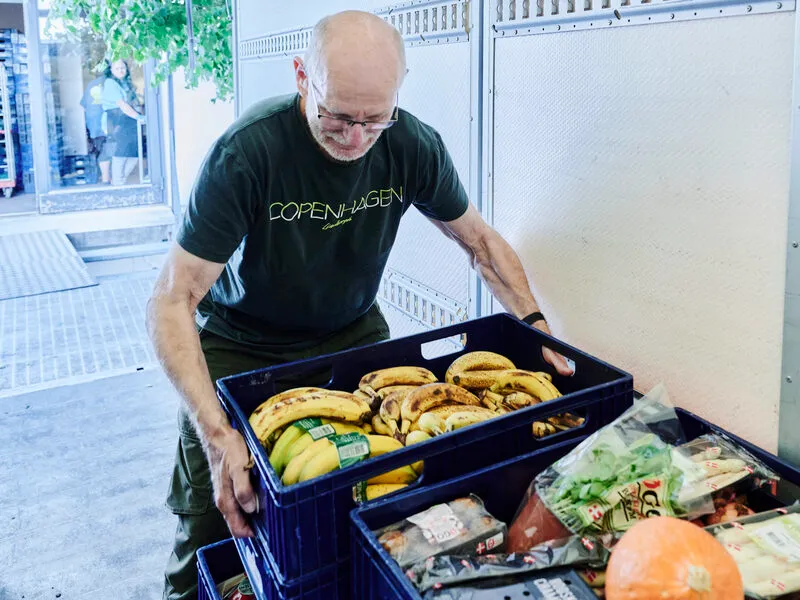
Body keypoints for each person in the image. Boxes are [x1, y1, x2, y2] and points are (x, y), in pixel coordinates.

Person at [146, 10, 573, 600]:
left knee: (389, 495)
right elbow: (172, 298)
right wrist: (215, 433)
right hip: (239, 344)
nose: (354, 137)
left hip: (353, 332)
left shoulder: (411, 144)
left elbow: (479, 241)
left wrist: (536, 326)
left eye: (374, 119)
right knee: (218, 511)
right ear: (303, 77)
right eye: (337, 116)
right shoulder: (249, 152)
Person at [101, 59, 144, 185]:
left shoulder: (124, 83)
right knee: (120, 154)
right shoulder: (110, 83)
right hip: (117, 122)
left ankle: (119, 182)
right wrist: (139, 117)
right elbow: (122, 104)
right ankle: (118, 184)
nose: (121, 70)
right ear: (111, 70)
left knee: (133, 155)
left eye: (123, 68)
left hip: (128, 122)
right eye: (117, 68)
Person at [79, 65, 111, 184]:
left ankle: (102, 176)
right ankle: (107, 178)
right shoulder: (110, 83)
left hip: (93, 124)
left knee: (99, 150)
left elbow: (84, 105)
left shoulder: (91, 85)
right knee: (108, 151)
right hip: (106, 122)